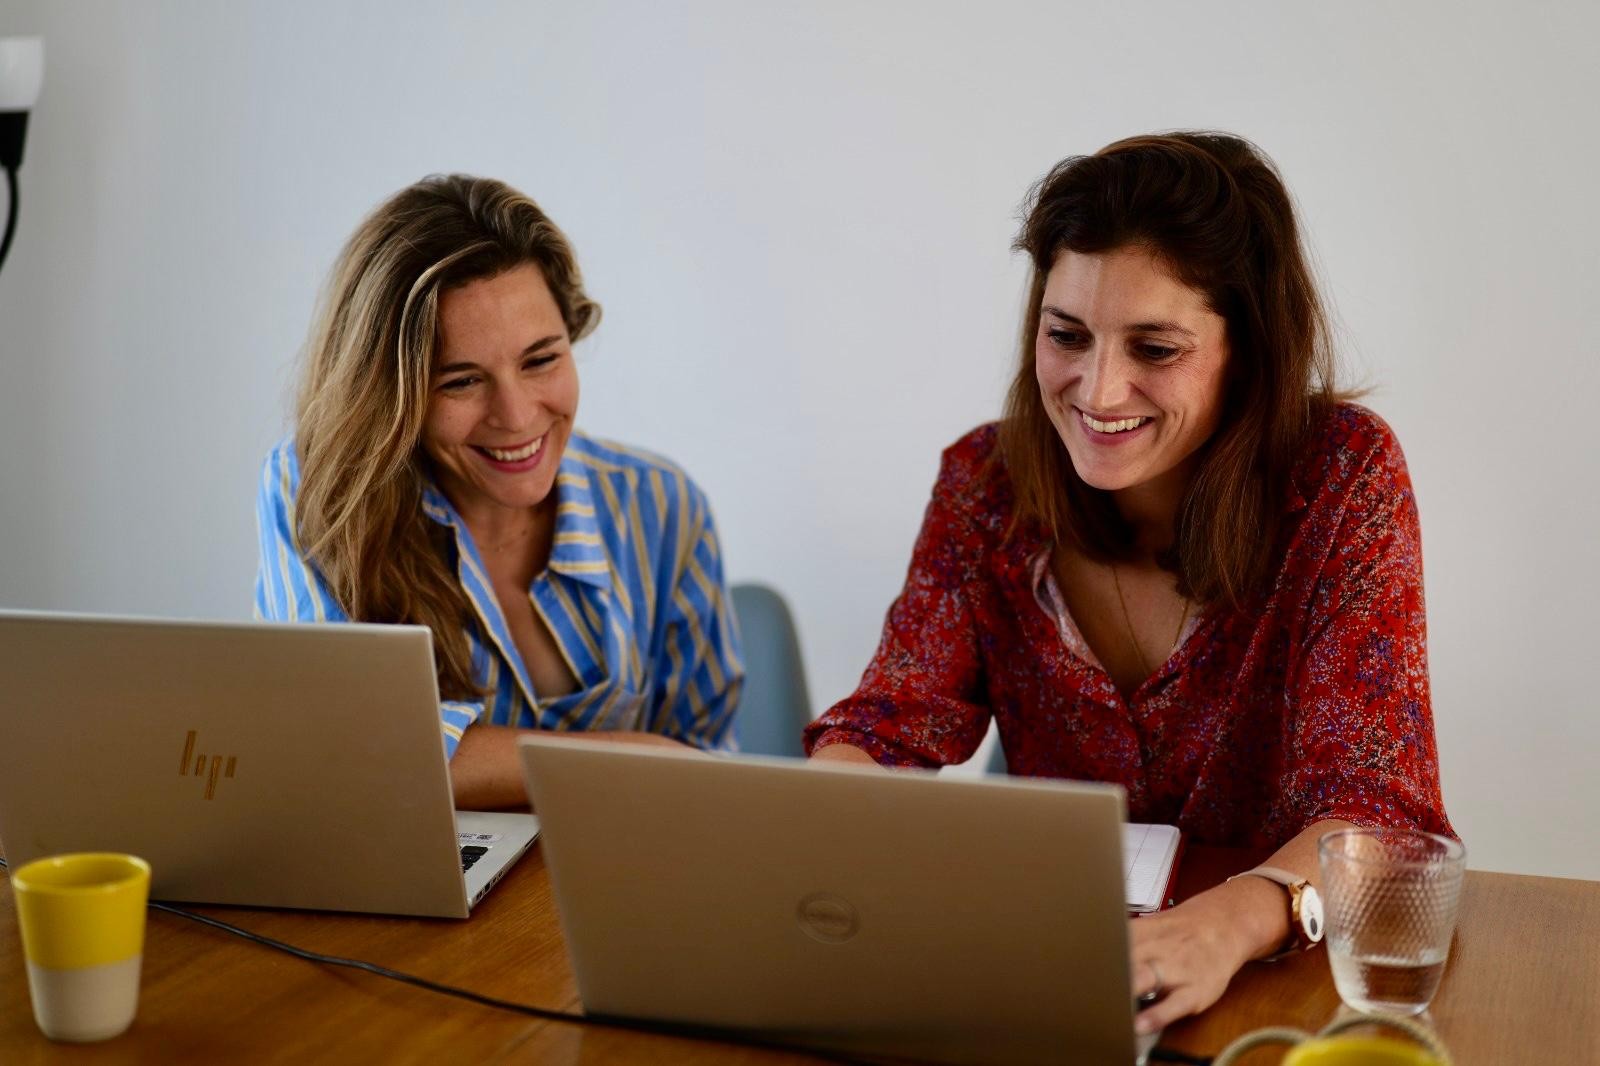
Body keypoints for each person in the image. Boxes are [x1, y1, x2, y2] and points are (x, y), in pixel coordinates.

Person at [803, 132, 1453, 1033]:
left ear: (1249, 351)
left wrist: (1227, 923)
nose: (1098, 389)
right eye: (1066, 335)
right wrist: (829, 807)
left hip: (1279, 983)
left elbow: (1379, 816)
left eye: (1155, 347)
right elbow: (891, 719)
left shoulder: (1344, 477)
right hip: (1053, 975)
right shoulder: (984, 482)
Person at [256, 174, 743, 810]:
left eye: (541, 360)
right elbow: (343, 751)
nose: (515, 417)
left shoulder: (663, 506)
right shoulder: (320, 497)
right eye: (460, 381)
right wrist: (631, 758)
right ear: (390, 397)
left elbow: (711, 777)